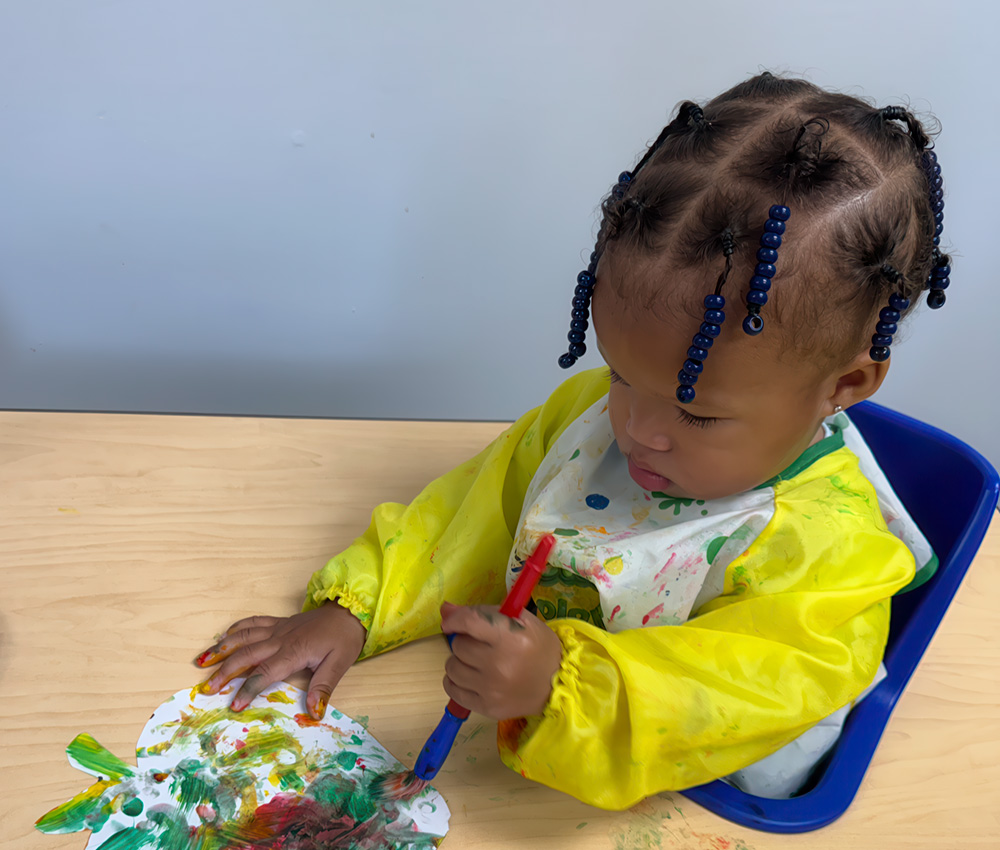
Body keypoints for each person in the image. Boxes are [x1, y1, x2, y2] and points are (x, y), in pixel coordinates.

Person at [193, 72, 947, 808]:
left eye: (698, 414)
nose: (636, 430)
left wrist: (565, 687)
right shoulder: (593, 418)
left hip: (691, 793)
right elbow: (474, 514)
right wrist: (358, 607)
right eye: (621, 373)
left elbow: (734, 696)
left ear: (846, 386)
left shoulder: (836, 556)